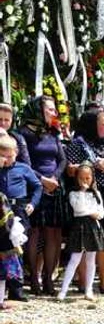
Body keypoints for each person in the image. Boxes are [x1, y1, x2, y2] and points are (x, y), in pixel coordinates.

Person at [65, 111, 104, 295]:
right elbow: (70, 170)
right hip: (86, 193)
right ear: (92, 125)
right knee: (84, 239)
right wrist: (90, 166)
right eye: (102, 124)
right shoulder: (79, 144)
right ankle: (84, 282)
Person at [19, 96, 67, 296]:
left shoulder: (53, 132)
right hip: (34, 187)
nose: (54, 113)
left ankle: (48, 278)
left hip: (55, 187)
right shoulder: (23, 134)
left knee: (53, 233)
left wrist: (54, 178)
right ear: (38, 110)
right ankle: (34, 280)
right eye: (49, 109)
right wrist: (43, 180)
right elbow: (25, 162)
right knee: (35, 232)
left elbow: (62, 159)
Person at [57, 162, 104, 301]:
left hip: (93, 227)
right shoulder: (74, 193)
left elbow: (101, 212)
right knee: (75, 259)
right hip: (80, 227)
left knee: (91, 259)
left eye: (88, 178)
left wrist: (93, 213)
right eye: (82, 178)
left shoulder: (96, 193)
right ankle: (63, 290)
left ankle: (89, 289)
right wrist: (91, 210)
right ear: (77, 178)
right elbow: (78, 209)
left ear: (92, 178)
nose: (85, 181)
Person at [0, 136, 40, 302]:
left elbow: (37, 186)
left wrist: (33, 203)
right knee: (2, 248)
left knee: (18, 248)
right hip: (2, 209)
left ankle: (16, 291)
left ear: (16, 153)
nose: (8, 160)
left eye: (11, 156)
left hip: (19, 208)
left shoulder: (24, 168)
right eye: (4, 156)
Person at [0, 193, 28, 310]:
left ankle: (0, 300)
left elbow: (8, 225)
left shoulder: (2, 201)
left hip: (2, 245)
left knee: (1, 277)